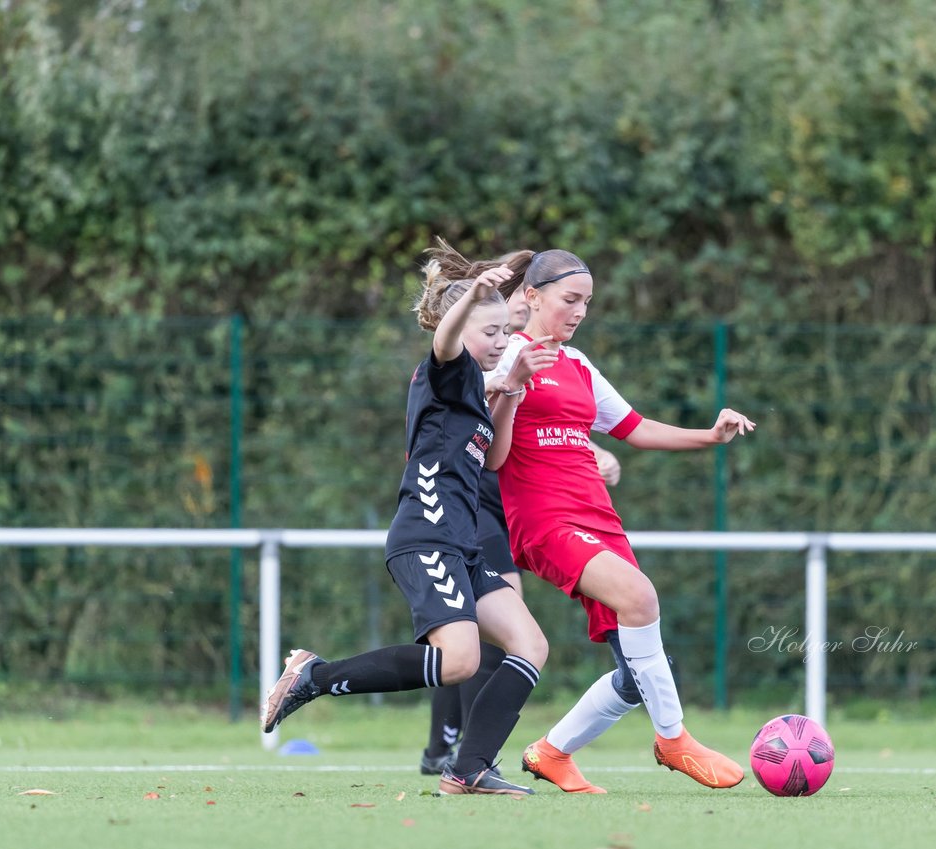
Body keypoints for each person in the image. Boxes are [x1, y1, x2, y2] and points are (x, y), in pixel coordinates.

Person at [262, 255, 556, 796]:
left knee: (530, 645)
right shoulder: (447, 371)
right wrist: (473, 296)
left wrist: (510, 390)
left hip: (463, 545)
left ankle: (469, 769)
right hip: (428, 536)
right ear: (462, 324)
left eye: (505, 332)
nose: (501, 340)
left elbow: (494, 460)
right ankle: (315, 677)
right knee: (461, 661)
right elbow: (445, 341)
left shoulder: (475, 389)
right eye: (490, 331)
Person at [485, 248, 757, 794]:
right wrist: (509, 384)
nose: (580, 310)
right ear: (532, 296)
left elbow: (633, 426)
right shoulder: (504, 356)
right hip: (545, 520)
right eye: (570, 299)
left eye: (587, 301)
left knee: (640, 671)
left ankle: (552, 752)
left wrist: (709, 435)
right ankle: (673, 741)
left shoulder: (578, 363)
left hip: (597, 517)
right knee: (640, 597)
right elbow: (490, 451)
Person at [418, 258, 623, 775]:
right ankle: (455, 751)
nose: (505, 329)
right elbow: (479, 399)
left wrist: (589, 453)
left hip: (516, 504)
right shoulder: (476, 357)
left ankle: (457, 753)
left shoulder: (528, 350)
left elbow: (545, 424)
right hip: (474, 506)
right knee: (484, 631)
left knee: (492, 633)